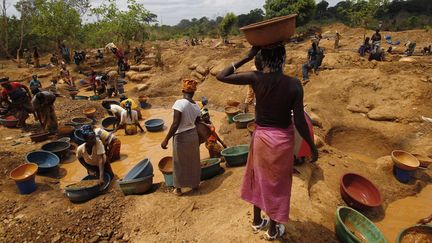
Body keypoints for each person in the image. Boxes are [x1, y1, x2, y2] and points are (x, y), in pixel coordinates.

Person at [216, 45, 318, 241]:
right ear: (283, 59)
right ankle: (272, 229)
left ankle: (257, 220)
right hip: (281, 141)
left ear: (262, 59)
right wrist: (311, 147)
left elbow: (222, 75)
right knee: (277, 183)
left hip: (261, 138)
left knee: (257, 175)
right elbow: (299, 121)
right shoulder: (294, 84)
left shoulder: (256, 79)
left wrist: (247, 56)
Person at [161, 79, 201, 196]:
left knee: (179, 163)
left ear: (183, 90)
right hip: (193, 136)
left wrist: (166, 139)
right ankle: (194, 184)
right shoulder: (196, 106)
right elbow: (197, 121)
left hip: (181, 136)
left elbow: (175, 123)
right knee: (193, 161)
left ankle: (178, 189)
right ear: (193, 92)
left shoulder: (179, 103)